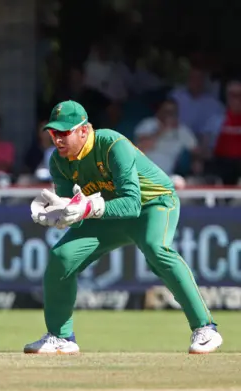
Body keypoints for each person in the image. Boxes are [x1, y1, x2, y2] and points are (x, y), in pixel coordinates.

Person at [28, 100, 222, 355]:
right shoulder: (58, 161)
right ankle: (60, 337)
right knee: (61, 256)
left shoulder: (111, 145)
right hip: (106, 213)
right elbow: (73, 205)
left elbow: (131, 204)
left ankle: (206, 328)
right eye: (54, 133)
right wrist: (59, 215)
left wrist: (87, 209)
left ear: (84, 130)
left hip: (153, 204)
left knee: (156, 248)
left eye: (65, 133)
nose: (58, 140)